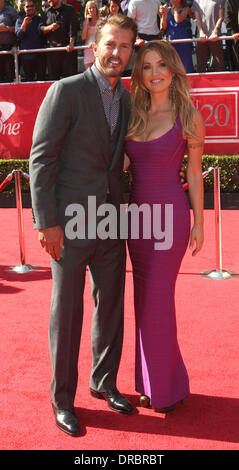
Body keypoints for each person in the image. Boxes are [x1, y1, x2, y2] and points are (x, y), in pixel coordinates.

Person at [29, 13, 138, 437]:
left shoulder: (127, 98)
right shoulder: (66, 90)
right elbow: (42, 159)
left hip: (111, 219)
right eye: (110, 44)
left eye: (125, 46)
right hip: (69, 223)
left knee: (111, 305)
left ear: (132, 51)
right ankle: (63, 399)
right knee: (68, 311)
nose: (116, 53)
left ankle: (104, 382)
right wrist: (47, 222)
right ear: (94, 45)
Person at [124, 40, 204, 412]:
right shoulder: (133, 113)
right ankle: (151, 380)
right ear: (139, 74)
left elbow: (193, 173)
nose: (154, 73)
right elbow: (121, 166)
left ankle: (166, 389)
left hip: (169, 218)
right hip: (135, 221)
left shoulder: (186, 113)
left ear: (173, 70)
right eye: (146, 66)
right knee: (145, 303)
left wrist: (200, 222)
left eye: (161, 65)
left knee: (157, 300)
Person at [39, 0, 78, 80]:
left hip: (67, 51)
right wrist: (50, 27)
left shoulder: (70, 9)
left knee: (70, 81)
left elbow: (73, 29)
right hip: (52, 52)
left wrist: (71, 43)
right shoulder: (47, 12)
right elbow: (40, 28)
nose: (49, 1)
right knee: (53, 81)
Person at [15, 0, 46, 81]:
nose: (30, 8)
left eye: (32, 6)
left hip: (40, 55)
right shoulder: (20, 20)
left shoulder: (40, 19)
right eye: (27, 6)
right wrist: (24, 24)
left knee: (41, 80)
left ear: (34, 7)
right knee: (29, 81)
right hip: (26, 57)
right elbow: (18, 35)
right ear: (24, 8)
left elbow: (44, 34)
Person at [160, 0, 194, 73]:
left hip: (183, 39)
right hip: (171, 40)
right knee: (171, 63)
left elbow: (178, 20)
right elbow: (163, 26)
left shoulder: (186, 9)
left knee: (185, 64)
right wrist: (163, 14)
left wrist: (174, 9)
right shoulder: (167, 10)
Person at [192, 0, 225, 73]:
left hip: (216, 37)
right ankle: (201, 84)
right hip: (201, 37)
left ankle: (221, 83)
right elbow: (196, 19)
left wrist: (215, 32)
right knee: (200, 65)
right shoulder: (197, 1)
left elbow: (221, 17)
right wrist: (201, 32)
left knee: (219, 64)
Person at [0, 0, 18, 83]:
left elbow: (19, 28)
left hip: (9, 48)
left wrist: (8, 28)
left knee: (9, 76)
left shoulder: (11, 11)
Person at [81, 0, 99, 69]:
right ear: (87, 10)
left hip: (97, 48)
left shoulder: (100, 21)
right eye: (90, 8)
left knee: (98, 72)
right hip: (88, 49)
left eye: (93, 8)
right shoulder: (85, 22)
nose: (92, 10)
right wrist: (86, 24)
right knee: (89, 73)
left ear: (96, 9)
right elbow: (83, 37)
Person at [224, 0, 239, 70]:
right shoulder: (230, 1)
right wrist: (233, 33)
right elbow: (227, 18)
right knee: (235, 63)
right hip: (235, 37)